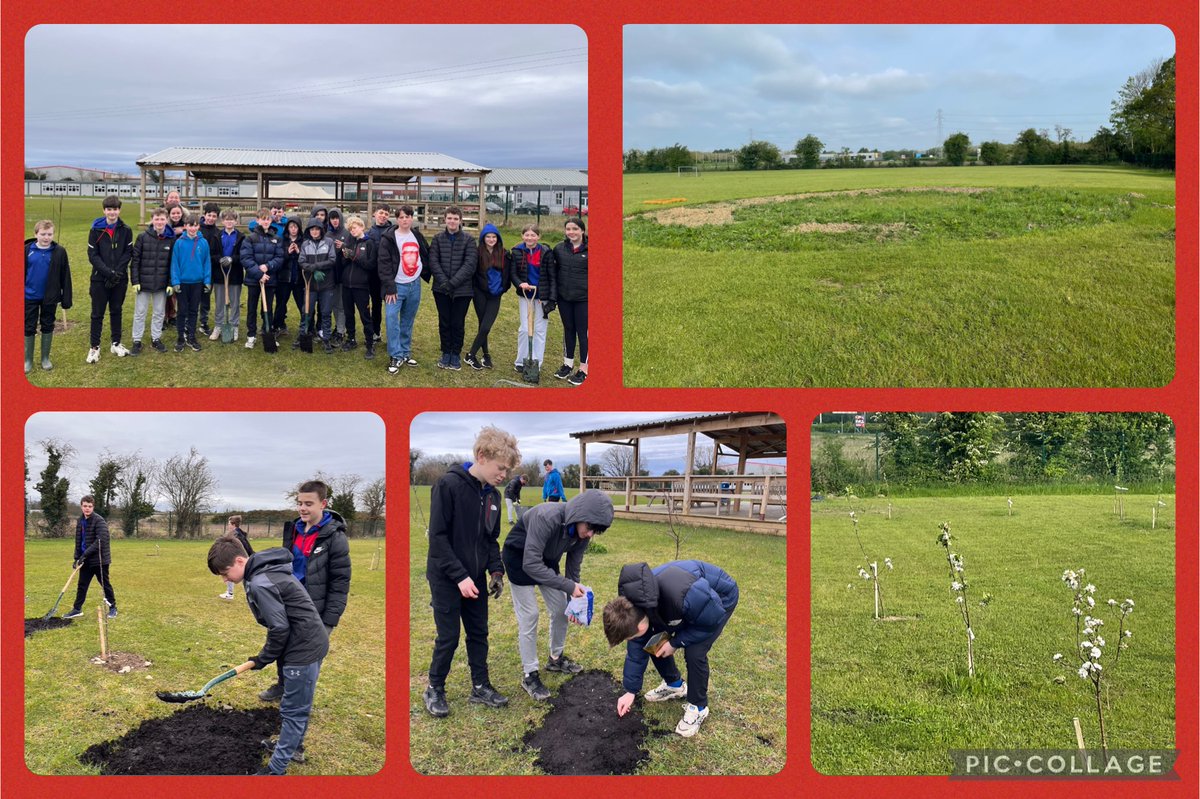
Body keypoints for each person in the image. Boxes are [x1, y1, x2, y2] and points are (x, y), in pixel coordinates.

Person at [207, 533, 329, 775]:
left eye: (225, 572)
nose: (224, 579)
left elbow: (279, 627)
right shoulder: (264, 571)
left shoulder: (261, 582)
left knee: (293, 710)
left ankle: (276, 770)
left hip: (303, 647)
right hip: (303, 641)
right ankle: (293, 747)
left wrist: (262, 658)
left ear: (240, 561)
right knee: (297, 701)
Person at [423, 426, 522, 717]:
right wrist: (459, 577)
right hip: (446, 577)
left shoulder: (492, 496)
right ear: (481, 456)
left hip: (476, 579)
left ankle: (480, 686)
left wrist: (496, 572)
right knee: (449, 637)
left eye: (508, 470)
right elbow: (438, 539)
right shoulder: (448, 486)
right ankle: (434, 687)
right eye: (500, 468)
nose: (504, 475)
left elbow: (490, 539)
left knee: (479, 633)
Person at [603, 561, 739, 738]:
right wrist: (631, 691)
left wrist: (676, 643)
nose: (631, 641)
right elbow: (637, 651)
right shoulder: (632, 606)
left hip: (718, 601)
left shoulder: (680, 594)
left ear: (640, 624)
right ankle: (674, 685)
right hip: (685, 604)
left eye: (630, 636)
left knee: (695, 652)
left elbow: (709, 622)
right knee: (654, 642)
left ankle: (698, 707)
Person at [502, 490, 613, 700]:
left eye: (595, 531)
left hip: (545, 561)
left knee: (561, 610)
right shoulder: (547, 516)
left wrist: (574, 601)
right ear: (579, 515)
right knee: (530, 615)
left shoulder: (582, 533)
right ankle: (530, 674)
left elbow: (573, 569)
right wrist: (568, 586)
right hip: (519, 559)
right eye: (590, 528)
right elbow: (530, 563)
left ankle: (555, 659)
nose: (590, 534)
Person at [258, 479, 351, 703]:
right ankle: (282, 686)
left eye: (308, 503)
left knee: (307, 657)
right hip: (288, 602)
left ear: (323, 504)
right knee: (284, 646)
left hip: (316, 609)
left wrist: (329, 619)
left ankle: (300, 699)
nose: (302, 508)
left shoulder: (335, 537)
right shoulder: (293, 530)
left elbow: (341, 581)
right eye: (299, 503)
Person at [376, 204, 429, 373]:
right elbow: (383, 264)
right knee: (392, 319)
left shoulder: (417, 236)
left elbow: (427, 254)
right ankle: (395, 355)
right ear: (397, 219)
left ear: (412, 218)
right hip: (396, 287)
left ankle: (405, 352)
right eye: (401, 217)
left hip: (414, 285)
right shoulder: (389, 238)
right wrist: (390, 287)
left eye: (407, 217)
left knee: (407, 320)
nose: (404, 220)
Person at [86, 195, 134, 363]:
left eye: (115, 209)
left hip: (119, 278)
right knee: (97, 314)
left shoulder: (126, 230)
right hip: (100, 279)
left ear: (119, 210)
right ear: (104, 210)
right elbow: (93, 255)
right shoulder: (95, 230)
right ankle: (94, 347)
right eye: (109, 209)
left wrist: (117, 273)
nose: (112, 212)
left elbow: (128, 253)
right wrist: (108, 273)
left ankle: (116, 342)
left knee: (116, 310)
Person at [429, 206, 477, 371]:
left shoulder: (469, 240)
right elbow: (433, 261)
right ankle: (445, 352)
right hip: (441, 289)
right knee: (444, 321)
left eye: (455, 219)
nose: (452, 221)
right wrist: (444, 282)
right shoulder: (437, 239)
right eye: (449, 218)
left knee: (457, 322)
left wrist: (453, 283)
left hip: (462, 290)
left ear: (460, 221)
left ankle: (455, 353)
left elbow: (470, 264)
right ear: (445, 219)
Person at [24, 219, 72, 373]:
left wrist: (66, 299)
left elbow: (65, 276)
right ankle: (28, 360)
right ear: (35, 234)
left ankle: (45, 358)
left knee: (47, 324)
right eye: (43, 234)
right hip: (29, 296)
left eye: (49, 234)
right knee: (29, 326)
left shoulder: (59, 252)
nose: (46, 237)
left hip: (50, 297)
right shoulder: (26, 250)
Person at [129, 207, 175, 356]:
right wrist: (135, 281)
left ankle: (156, 338)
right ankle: (137, 340)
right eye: (157, 219)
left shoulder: (171, 239)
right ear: (152, 220)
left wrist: (170, 283)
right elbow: (135, 261)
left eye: (162, 219)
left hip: (161, 284)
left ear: (166, 220)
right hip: (143, 283)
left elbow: (172, 264)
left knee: (159, 313)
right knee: (140, 312)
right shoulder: (143, 237)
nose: (160, 222)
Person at [464, 222, 510, 370]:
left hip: (495, 295)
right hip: (480, 294)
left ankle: (470, 354)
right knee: (482, 324)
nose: (491, 239)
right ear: (483, 238)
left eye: (494, 237)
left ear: (497, 238)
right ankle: (485, 354)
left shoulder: (504, 254)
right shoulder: (477, 253)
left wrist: (503, 288)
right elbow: (473, 274)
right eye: (488, 237)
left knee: (486, 326)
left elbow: (507, 274)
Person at [64, 495, 117, 619]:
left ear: (93, 507)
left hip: (100, 560)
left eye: (90, 506)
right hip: (85, 560)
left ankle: (113, 607)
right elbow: (79, 540)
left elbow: (100, 541)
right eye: (85, 506)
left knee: (105, 584)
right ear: (81, 506)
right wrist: (76, 558)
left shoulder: (99, 521)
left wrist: (84, 555)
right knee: (82, 585)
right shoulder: (80, 521)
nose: (87, 508)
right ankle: (77, 609)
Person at [511, 224, 555, 371]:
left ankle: (536, 362)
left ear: (538, 237)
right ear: (523, 236)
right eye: (527, 235)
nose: (530, 238)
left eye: (533, 235)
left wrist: (550, 297)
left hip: (542, 295)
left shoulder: (546, 252)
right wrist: (520, 283)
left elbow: (551, 276)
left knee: (540, 329)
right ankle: (521, 362)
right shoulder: (517, 251)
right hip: (526, 295)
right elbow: (513, 274)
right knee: (524, 329)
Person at [550, 217, 588, 386]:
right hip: (564, 298)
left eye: (575, 229)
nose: (571, 232)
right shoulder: (559, 249)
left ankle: (583, 369)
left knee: (583, 333)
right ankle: (567, 364)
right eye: (568, 229)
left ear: (582, 231)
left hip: (584, 299)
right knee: (568, 330)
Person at [240, 209, 283, 350]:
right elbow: (246, 259)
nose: (265, 221)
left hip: (270, 279)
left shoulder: (276, 239)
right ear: (257, 220)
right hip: (254, 280)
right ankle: (251, 335)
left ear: (271, 221)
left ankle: (267, 331)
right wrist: (259, 274)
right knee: (252, 307)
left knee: (268, 308)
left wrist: (268, 266)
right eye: (263, 219)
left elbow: (279, 258)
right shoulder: (250, 238)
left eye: (268, 219)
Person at [168, 214, 212, 352]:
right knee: (182, 311)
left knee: (193, 310)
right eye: (190, 225)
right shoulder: (179, 242)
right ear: (185, 226)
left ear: (198, 226)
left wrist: (207, 281)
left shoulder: (203, 242)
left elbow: (207, 263)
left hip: (197, 282)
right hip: (182, 283)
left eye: (195, 225)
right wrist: (175, 281)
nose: (192, 228)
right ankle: (181, 337)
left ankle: (191, 336)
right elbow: (174, 263)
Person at [339, 215, 377, 358]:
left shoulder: (369, 243)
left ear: (361, 227)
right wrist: (345, 256)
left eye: (354, 228)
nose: (352, 231)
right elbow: (344, 264)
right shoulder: (350, 242)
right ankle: (351, 339)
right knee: (349, 314)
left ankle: (369, 343)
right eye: (350, 229)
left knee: (365, 315)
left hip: (361, 286)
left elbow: (371, 265)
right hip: (347, 285)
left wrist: (353, 256)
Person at [300, 217, 338, 354]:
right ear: (309, 231)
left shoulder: (328, 242)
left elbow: (332, 260)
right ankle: (302, 335)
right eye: (312, 229)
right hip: (310, 284)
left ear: (321, 230)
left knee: (326, 312)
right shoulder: (305, 244)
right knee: (307, 312)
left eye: (317, 229)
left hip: (326, 284)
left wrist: (317, 266)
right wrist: (313, 270)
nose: (315, 232)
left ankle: (326, 338)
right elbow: (302, 261)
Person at [209, 210, 245, 341]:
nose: (229, 222)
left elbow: (243, 255)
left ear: (236, 221)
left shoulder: (241, 236)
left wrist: (232, 259)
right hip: (220, 274)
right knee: (220, 302)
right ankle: (218, 325)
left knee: (234, 302)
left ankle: (234, 325)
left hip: (235, 274)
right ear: (222, 221)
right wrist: (219, 259)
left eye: (232, 219)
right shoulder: (217, 236)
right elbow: (212, 254)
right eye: (226, 219)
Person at [197, 202, 223, 337]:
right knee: (194, 296)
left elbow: (218, 252)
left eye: (214, 216)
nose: (211, 218)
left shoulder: (218, 233)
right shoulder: (197, 229)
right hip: (195, 269)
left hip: (211, 270)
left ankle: (203, 322)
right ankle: (188, 321)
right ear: (204, 215)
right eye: (209, 215)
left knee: (206, 296)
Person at [276, 218, 303, 340]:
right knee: (281, 304)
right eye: (291, 227)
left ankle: (306, 327)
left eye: (295, 227)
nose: (293, 229)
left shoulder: (303, 241)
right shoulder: (282, 241)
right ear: (287, 228)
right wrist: (287, 252)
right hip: (284, 278)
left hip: (298, 279)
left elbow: (305, 260)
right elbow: (279, 259)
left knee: (302, 304)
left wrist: (298, 252)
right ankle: (278, 325)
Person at [219, 515, 254, 599]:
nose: (228, 526)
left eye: (229, 524)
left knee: (231, 572)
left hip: (243, 558)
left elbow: (241, 547)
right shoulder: (239, 533)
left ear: (233, 524)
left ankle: (231, 593)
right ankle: (230, 593)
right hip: (245, 557)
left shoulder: (236, 534)